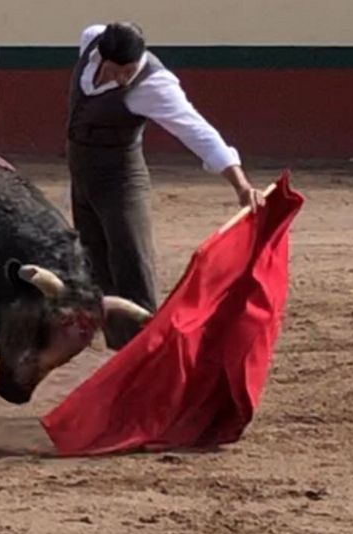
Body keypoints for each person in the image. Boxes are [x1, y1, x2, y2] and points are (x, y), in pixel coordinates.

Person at [66, 21, 266, 349]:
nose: (122, 78)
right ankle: (122, 353)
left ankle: (150, 350)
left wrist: (240, 185)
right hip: (83, 182)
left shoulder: (153, 84)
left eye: (129, 71)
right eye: (117, 70)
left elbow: (197, 131)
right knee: (97, 265)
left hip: (121, 185)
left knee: (132, 265)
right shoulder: (91, 39)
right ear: (101, 57)